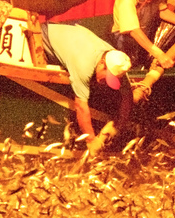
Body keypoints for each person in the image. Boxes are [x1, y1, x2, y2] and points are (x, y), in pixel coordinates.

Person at [42, 22, 133, 151]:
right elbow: (81, 107)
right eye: (107, 77)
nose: (107, 82)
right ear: (102, 63)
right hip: (45, 36)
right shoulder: (83, 66)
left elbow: (127, 97)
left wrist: (117, 126)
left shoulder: (117, 61)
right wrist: (91, 141)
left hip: (75, 39)